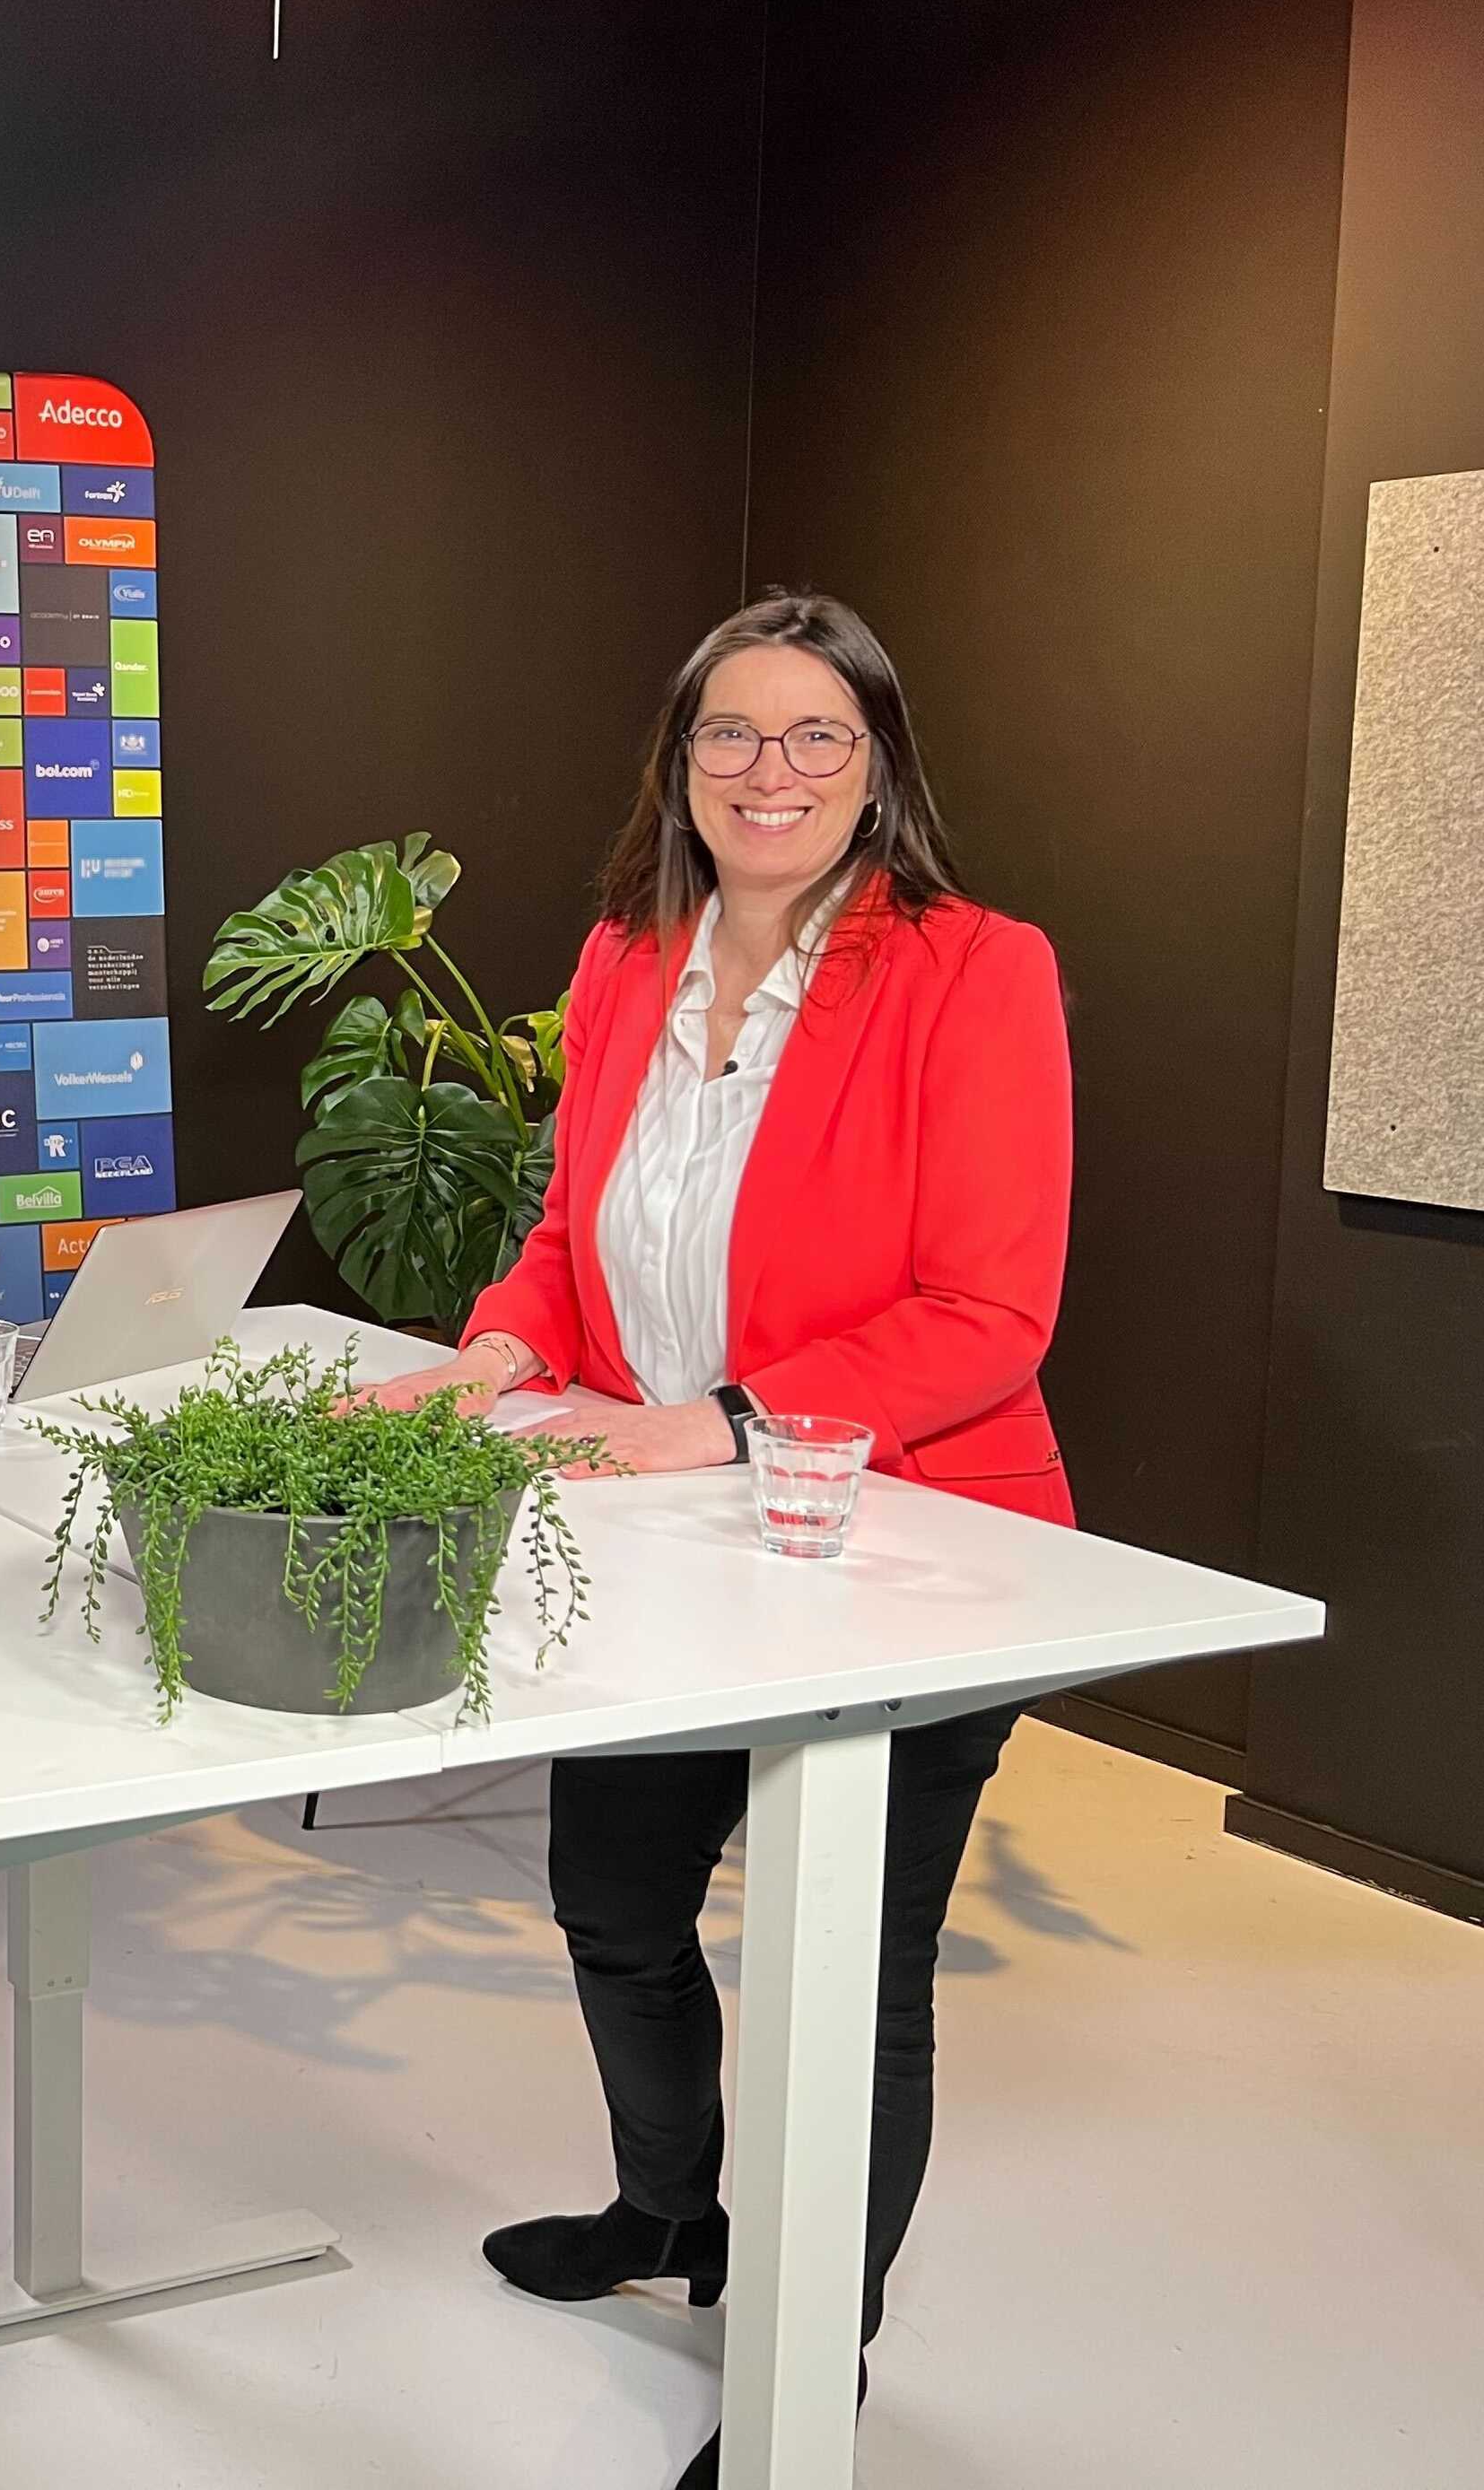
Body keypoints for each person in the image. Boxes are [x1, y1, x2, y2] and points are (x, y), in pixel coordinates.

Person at [355, 590, 1074, 2490]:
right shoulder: (622, 963)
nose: (771, 772)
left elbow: (989, 1314)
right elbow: (574, 1233)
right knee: (614, 1901)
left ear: (879, 769)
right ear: (679, 767)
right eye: (731, 736)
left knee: (857, 1978)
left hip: (910, 1545)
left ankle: (803, 2359)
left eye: (815, 736)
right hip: (674, 1540)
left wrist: (722, 1420)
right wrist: (500, 1352)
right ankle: (674, 2216)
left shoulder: (975, 970)